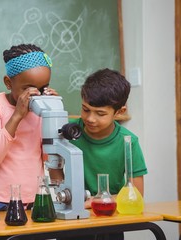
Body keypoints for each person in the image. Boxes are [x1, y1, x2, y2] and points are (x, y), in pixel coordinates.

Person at [66, 68, 148, 240]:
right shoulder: (68, 132)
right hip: (73, 220)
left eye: (100, 113)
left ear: (120, 111)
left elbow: (137, 193)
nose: (90, 119)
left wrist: (95, 202)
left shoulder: (128, 141)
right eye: (85, 109)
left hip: (109, 219)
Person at [0, 43, 57, 211]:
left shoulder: (44, 109)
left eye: (43, 88)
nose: (37, 94)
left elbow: (49, 158)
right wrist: (17, 116)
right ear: (8, 83)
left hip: (36, 199)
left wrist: (55, 114)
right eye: (28, 88)